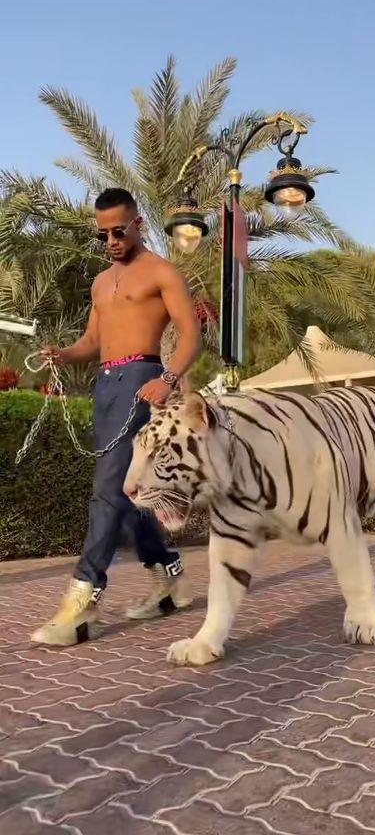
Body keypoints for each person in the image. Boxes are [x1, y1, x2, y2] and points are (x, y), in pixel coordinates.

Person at [31, 188, 201, 646]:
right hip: (105, 385)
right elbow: (92, 340)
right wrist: (64, 354)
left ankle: (81, 604)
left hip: (142, 381)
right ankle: (169, 578)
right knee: (126, 493)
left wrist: (167, 378)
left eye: (118, 231)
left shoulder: (162, 272)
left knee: (107, 491)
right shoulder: (101, 282)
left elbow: (191, 334)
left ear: (137, 224)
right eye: (102, 234)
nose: (110, 241)